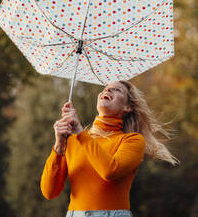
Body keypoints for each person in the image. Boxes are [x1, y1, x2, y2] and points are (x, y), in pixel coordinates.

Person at [40, 80, 180, 217]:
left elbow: (110, 170)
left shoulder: (132, 141)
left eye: (117, 90)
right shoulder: (74, 141)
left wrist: (80, 131)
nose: (107, 90)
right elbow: (49, 192)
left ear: (127, 107)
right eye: (106, 88)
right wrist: (58, 146)